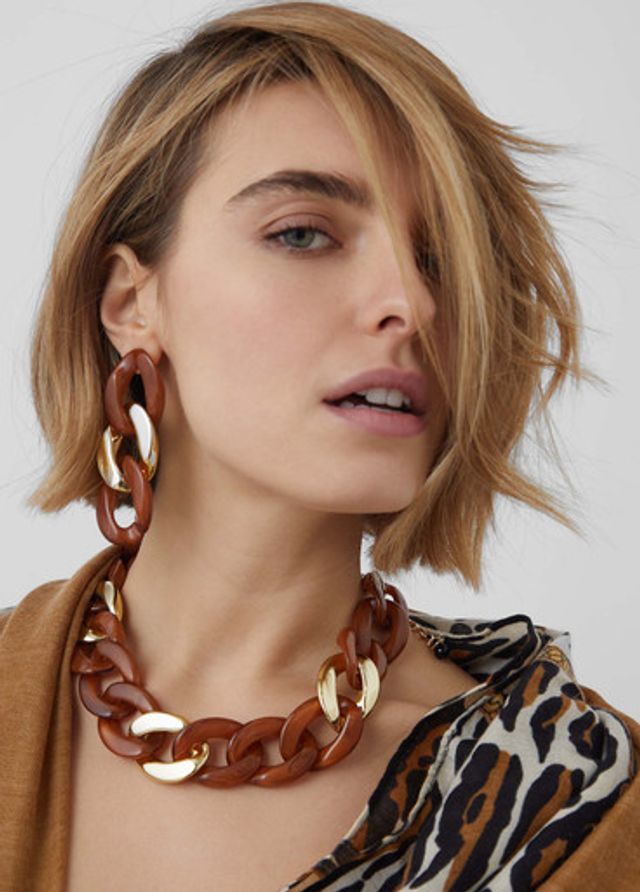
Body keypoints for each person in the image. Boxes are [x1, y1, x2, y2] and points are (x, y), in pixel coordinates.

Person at [0, 2, 638, 890]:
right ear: (130, 303)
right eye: (302, 233)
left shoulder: (572, 805)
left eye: (441, 259)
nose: (411, 305)